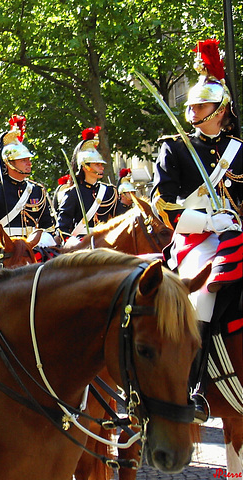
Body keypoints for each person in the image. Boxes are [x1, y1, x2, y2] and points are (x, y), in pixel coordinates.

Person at [151, 39, 242, 421]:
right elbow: (163, 205)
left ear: (220, 111)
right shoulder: (174, 148)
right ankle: (195, 382)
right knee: (203, 292)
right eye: (190, 106)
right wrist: (207, 221)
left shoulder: (239, 149)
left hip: (237, 230)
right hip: (196, 237)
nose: (192, 112)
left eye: (201, 106)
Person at [0, 115, 57, 246]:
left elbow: (47, 226)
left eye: (29, 159)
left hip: (33, 246)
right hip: (7, 247)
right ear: (9, 163)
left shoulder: (37, 190)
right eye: (23, 160)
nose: (29, 163)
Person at [56, 126, 118, 242]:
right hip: (82, 242)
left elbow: (119, 218)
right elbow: (62, 227)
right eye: (97, 164)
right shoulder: (73, 193)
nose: (101, 167)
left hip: (107, 241)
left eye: (101, 164)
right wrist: (73, 243)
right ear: (85, 167)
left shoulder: (110, 191)